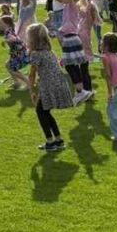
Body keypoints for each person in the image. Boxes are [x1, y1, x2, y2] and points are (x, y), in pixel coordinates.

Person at [44, 0, 93, 105]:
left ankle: (81, 92)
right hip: (71, 38)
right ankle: (81, 91)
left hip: (71, 38)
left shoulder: (71, 5)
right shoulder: (70, 6)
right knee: (71, 66)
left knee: (70, 66)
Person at [25, 23, 74, 151]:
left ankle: (50, 141)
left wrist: (32, 91)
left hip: (49, 86)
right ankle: (58, 140)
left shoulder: (36, 54)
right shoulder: (48, 51)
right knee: (45, 111)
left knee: (40, 111)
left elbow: (32, 75)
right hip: (59, 84)